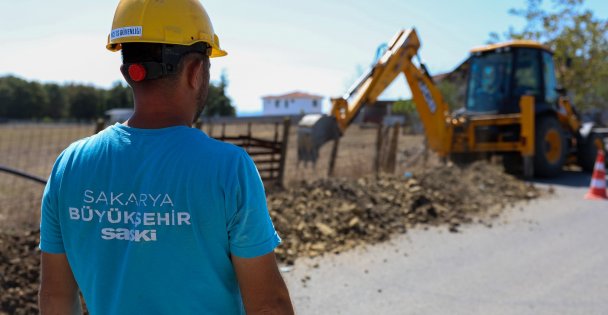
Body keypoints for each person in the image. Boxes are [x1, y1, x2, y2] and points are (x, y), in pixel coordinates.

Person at [38, 1, 294, 314]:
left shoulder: (69, 166)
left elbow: (54, 298)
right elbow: (269, 305)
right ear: (196, 71)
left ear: (127, 72)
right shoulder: (228, 169)